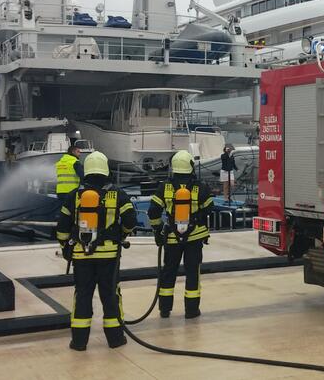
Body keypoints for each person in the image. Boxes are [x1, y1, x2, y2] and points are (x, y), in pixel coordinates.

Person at [55, 151, 136, 351]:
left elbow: (62, 227)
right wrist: (122, 235)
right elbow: (130, 221)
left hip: (82, 255)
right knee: (110, 295)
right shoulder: (118, 194)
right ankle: (115, 339)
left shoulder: (75, 196)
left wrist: (65, 246)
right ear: (105, 169)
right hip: (109, 255)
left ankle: (79, 341)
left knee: (82, 295)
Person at [148, 150, 214, 319]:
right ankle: (191, 310)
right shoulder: (200, 187)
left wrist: (157, 230)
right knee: (192, 273)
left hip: (171, 237)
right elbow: (209, 208)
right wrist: (197, 217)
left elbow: (153, 211)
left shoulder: (165, 187)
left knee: (169, 272)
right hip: (195, 237)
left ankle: (164, 309)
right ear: (191, 167)